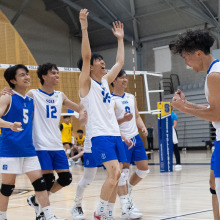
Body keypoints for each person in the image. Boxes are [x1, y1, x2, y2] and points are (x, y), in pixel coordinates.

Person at [78, 9, 130, 220]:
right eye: (98, 61)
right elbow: (87, 55)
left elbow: (119, 63)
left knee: (118, 175)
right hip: (99, 135)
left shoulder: (104, 83)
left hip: (114, 134)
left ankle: (108, 212)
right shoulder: (86, 83)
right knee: (112, 174)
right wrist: (84, 27)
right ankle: (99, 213)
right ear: (90, 67)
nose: (102, 62)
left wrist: (120, 40)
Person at [171, 29, 220, 219]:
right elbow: (213, 107)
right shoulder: (215, 71)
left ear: (198, 53)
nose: (186, 64)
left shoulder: (214, 76)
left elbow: (216, 113)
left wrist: (182, 109)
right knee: (213, 184)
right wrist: (187, 104)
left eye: (186, 58)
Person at [0, 65, 58, 220]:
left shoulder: (30, 101)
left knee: (40, 184)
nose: (27, 77)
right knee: (7, 187)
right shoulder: (7, 97)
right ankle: (2, 217)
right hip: (10, 150)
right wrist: (10, 125)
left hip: (28, 150)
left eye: (27, 74)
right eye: (22, 75)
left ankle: (48, 216)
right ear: (13, 80)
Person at [111, 69, 149, 219]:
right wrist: (123, 121)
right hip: (122, 139)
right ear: (114, 81)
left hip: (135, 137)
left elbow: (137, 116)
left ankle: (128, 189)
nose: (125, 80)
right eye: (122, 78)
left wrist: (142, 127)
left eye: (126, 77)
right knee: (123, 173)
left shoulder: (131, 97)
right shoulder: (111, 100)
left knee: (144, 169)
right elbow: (111, 123)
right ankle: (126, 207)